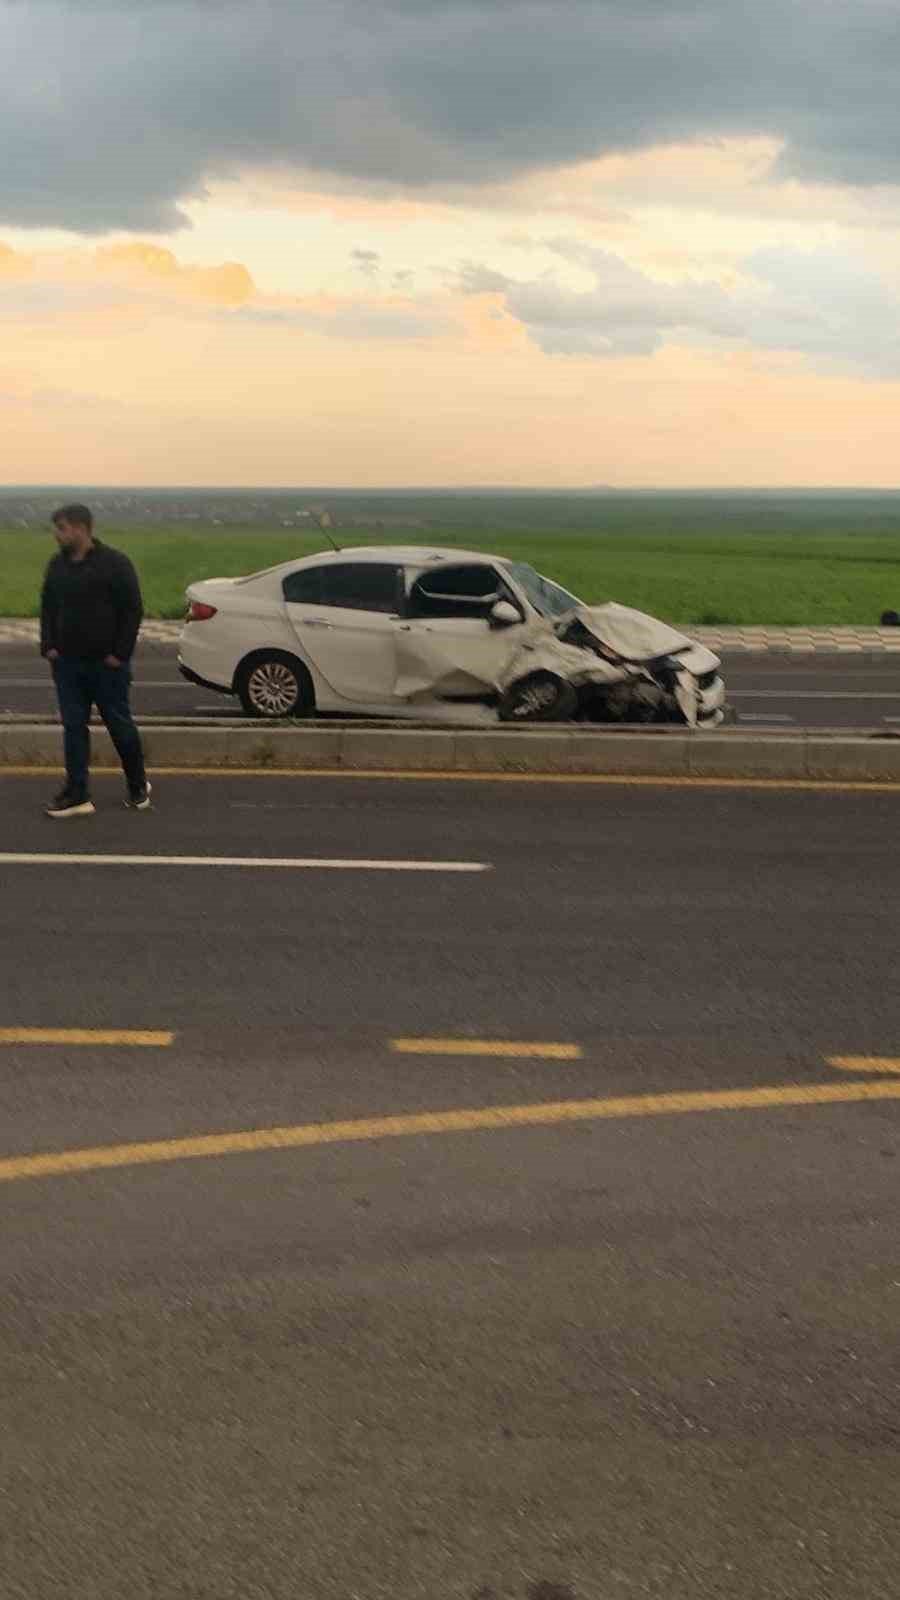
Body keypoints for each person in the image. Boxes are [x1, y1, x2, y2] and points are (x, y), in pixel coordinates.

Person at [40, 503, 151, 818]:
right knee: (73, 727)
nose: (56, 535)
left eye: (61, 528)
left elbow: (133, 610)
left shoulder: (115, 564)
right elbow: (47, 605)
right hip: (67, 665)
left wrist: (119, 654)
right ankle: (77, 793)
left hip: (107, 666)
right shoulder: (57, 565)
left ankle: (137, 783)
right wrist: (48, 645)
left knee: (119, 725)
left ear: (80, 528)